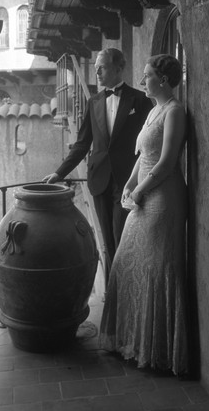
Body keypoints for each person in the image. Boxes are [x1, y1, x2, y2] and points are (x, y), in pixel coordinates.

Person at [99, 54, 188, 376]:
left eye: (147, 75)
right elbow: (142, 157)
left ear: (163, 80)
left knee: (156, 268)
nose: (142, 81)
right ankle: (132, 341)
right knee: (126, 263)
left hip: (164, 197)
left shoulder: (175, 111)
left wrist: (139, 191)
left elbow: (166, 162)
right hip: (144, 192)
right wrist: (128, 184)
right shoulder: (154, 111)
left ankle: (159, 350)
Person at [43, 48, 152, 285]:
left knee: (122, 235)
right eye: (95, 69)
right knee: (108, 242)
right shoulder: (94, 102)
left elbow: (149, 143)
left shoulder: (140, 100)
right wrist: (59, 173)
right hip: (100, 180)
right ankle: (114, 292)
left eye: (101, 67)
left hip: (128, 181)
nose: (97, 72)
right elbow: (82, 144)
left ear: (118, 68)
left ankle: (128, 287)